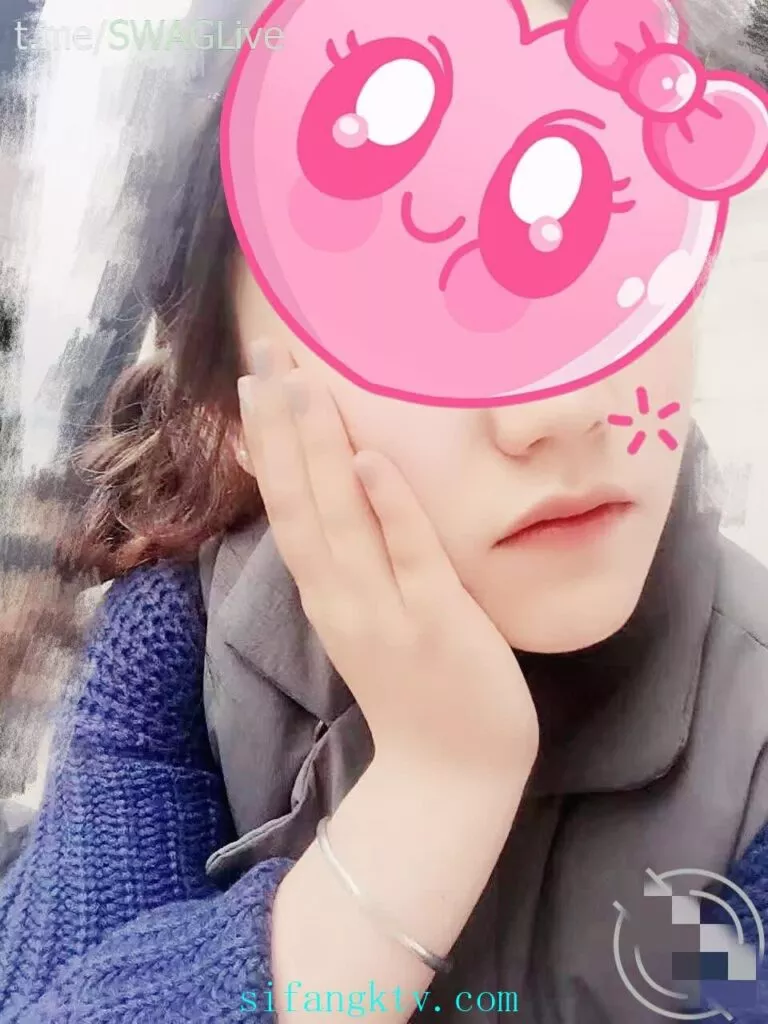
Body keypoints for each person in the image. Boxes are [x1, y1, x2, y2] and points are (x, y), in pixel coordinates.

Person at [2, 0, 768, 1020]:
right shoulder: (180, 635)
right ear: (232, 411)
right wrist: (436, 787)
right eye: (405, 308)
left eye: (601, 237)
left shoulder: (749, 757)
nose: (557, 411)